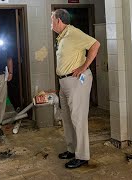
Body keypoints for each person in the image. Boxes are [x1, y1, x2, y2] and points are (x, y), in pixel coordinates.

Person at [51, 9, 100, 169]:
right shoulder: (62, 36)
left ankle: (82, 156)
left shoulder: (74, 33)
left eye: (52, 20)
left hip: (77, 80)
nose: (51, 23)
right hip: (65, 82)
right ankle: (72, 150)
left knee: (78, 119)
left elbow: (95, 44)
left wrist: (84, 66)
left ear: (59, 20)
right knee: (67, 118)